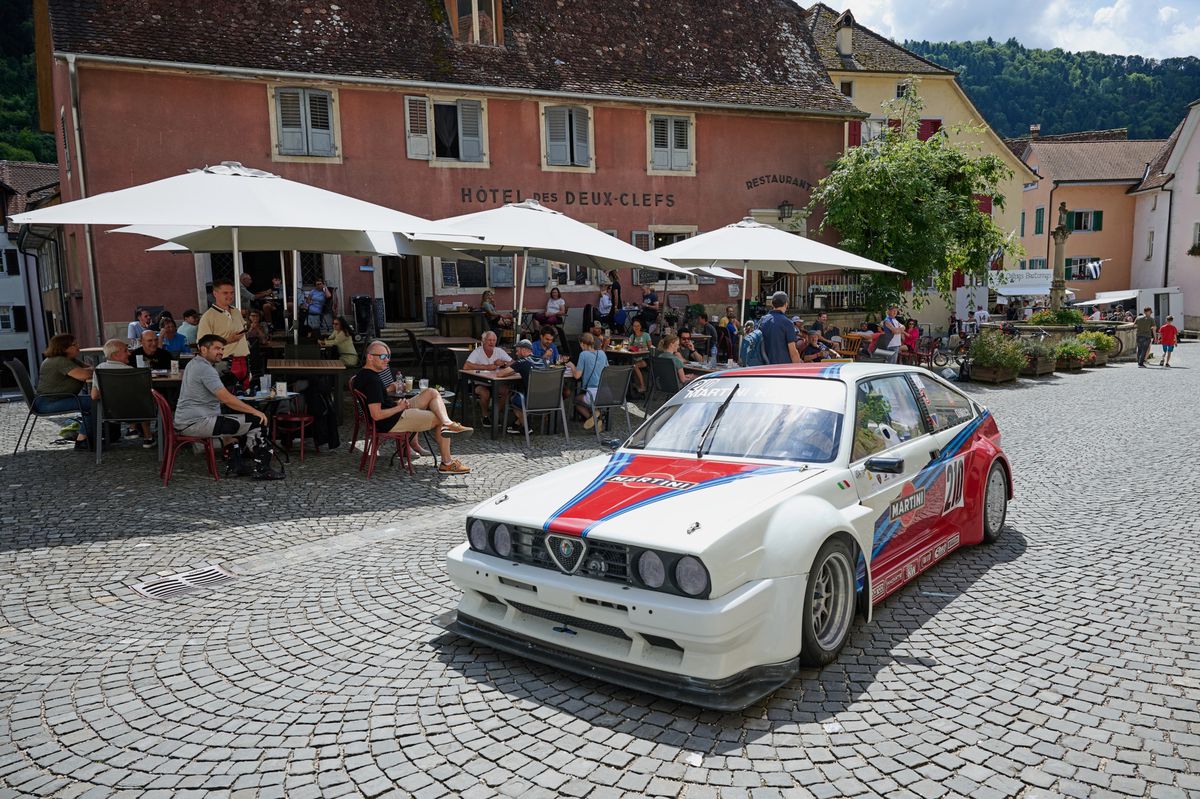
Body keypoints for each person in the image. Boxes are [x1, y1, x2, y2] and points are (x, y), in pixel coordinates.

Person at [174, 334, 282, 479]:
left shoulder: (194, 364)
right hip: (197, 422)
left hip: (188, 420)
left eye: (222, 349)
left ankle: (235, 466)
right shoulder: (205, 369)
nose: (221, 352)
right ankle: (263, 469)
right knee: (258, 421)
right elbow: (226, 399)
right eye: (217, 348)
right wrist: (256, 411)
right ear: (203, 349)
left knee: (230, 420)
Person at [357, 340, 472, 473]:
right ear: (370, 357)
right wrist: (399, 408)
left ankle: (448, 423)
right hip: (392, 420)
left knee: (431, 392)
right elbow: (376, 415)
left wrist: (396, 404)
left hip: (394, 413)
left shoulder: (364, 375)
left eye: (388, 356)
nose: (387, 360)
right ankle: (447, 463)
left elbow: (378, 402)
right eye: (382, 356)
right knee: (438, 417)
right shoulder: (372, 381)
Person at [90, 338, 154, 448]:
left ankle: (133, 429)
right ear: (115, 355)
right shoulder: (131, 371)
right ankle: (147, 437)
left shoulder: (99, 369)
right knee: (144, 400)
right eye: (125, 351)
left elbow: (94, 396)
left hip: (110, 413)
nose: (129, 353)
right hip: (136, 414)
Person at [34, 334, 94, 450]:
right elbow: (85, 375)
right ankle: (82, 441)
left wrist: (88, 370)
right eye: (75, 345)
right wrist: (88, 370)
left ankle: (94, 435)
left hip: (55, 399)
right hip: (48, 403)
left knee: (94, 400)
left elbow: (89, 369)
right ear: (64, 348)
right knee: (94, 402)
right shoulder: (59, 361)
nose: (78, 347)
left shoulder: (69, 360)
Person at [198, 279, 251, 389]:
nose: (230, 296)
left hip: (244, 360)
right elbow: (202, 345)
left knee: (244, 395)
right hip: (224, 363)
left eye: (232, 293)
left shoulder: (236, 311)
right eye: (225, 293)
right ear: (215, 294)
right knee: (226, 397)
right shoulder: (208, 316)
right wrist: (228, 340)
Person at [496, 339, 546, 434]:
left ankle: (526, 427)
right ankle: (516, 424)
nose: (516, 353)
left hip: (531, 401)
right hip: (547, 401)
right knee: (522, 392)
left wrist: (509, 367)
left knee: (513, 398)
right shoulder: (543, 361)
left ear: (523, 350)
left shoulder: (522, 361)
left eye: (517, 350)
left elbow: (500, 374)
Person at [464, 331, 513, 426]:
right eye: (489, 340)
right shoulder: (477, 351)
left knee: (506, 391)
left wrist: (504, 363)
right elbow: (466, 366)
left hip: (494, 382)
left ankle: (494, 414)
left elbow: (513, 363)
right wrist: (486, 367)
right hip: (477, 382)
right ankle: (485, 416)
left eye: (494, 340)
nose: (492, 342)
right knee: (485, 393)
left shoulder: (499, 351)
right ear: (483, 341)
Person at [566, 332, 609, 430]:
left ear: (582, 344)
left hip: (593, 394)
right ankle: (596, 416)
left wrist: (572, 365)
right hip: (606, 393)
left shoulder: (583, 354)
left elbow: (577, 376)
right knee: (585, 397)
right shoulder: (602, 353)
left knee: (576, 400)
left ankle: (594, 419)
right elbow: (607, 370)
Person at [758, 291, 800, 365]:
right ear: (786, 304)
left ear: (772, 304)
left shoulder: (762, 320)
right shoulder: (787, 323)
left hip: (763, 365)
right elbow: (793, 351)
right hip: (782, 367)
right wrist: (798, 368)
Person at [628, 318, 652, 395]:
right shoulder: (632, 336)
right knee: (628, 365)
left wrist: (644, 348)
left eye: (638, 326)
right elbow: (628, 347)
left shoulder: (646, 335)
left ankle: (642, 386)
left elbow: (650, 347)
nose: (636, 327)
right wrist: (633, 348)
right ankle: (631, 386)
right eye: (634, 326)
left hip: (645, 358)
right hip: (634, 358)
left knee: (635, 366)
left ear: (641, 326)